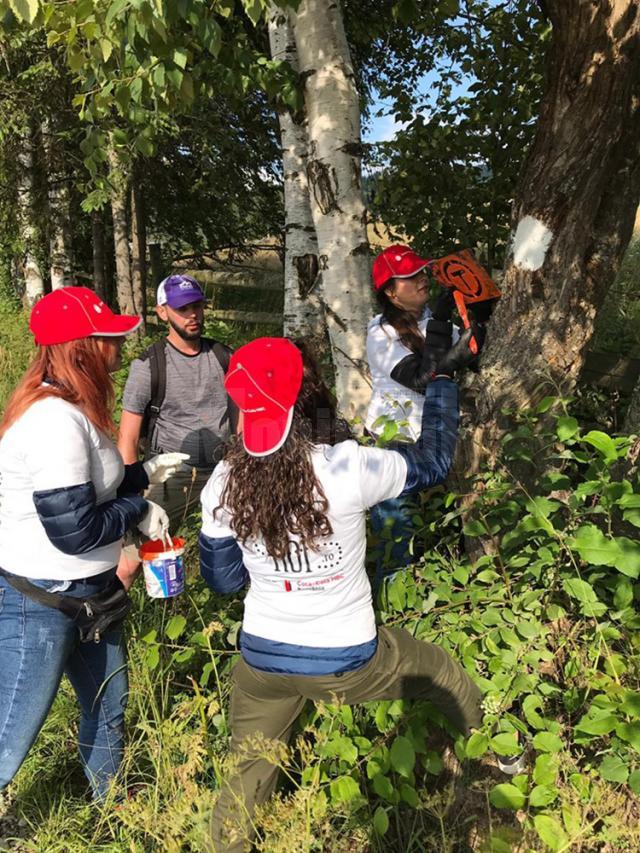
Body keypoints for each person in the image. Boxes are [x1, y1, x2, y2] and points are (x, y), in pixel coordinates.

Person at [198, 334, 483, 852]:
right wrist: (441, 381)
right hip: (347, 659)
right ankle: (495, 755)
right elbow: (435, 461)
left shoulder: (221, 480)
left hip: (262, 656)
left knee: (246, 775)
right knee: (440, 670)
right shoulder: (348, 468)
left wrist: (272, 567)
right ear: (306, 396)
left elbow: (222, 580)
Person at [0, 287, 184, 800]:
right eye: (109, 338)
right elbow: (76, 529)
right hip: (43, 600)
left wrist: (140, 474)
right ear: (82, 346)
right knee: (9, 737)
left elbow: (91, 486)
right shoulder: (53, 422)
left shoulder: (74, 406)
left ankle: (110, 803)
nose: (120, 348)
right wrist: (139, 510)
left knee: (108, 703)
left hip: (90, 593)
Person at [365, 244, 489, 586]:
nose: (422, 279)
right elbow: (423, 380)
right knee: (397, 535)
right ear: (390, 291)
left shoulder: (434, 322)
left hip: (434, 438)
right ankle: (391, 612)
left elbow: (474, 354)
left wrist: (477, 311)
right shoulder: (380, 333)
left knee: (440, 526)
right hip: (393, 442)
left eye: (422, 272)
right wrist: (440, 322)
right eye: (410, 276)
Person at [118, 274, 236, 532]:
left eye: (196, 306)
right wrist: (134, 497)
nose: (192, 314)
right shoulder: (149, 365)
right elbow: (127, 436)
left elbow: (244, 416)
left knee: (235, 546)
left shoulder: (224, 357)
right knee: (134, 554)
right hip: (170, 476)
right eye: (182, 309)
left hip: (223, 471)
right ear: (163, 312)